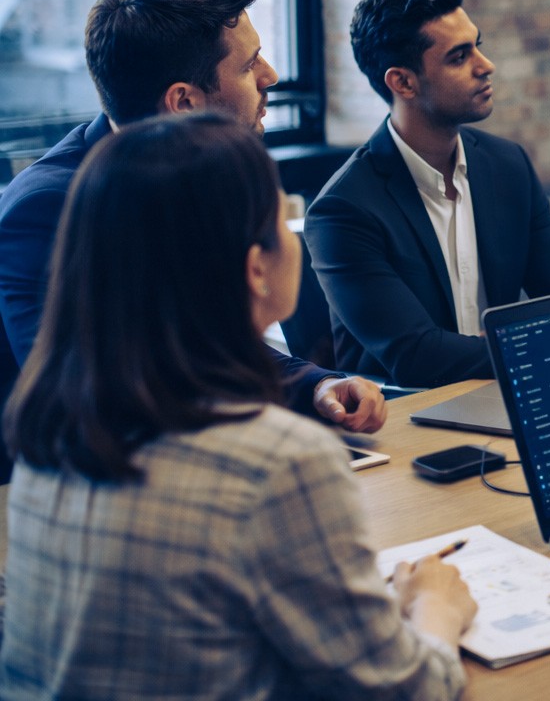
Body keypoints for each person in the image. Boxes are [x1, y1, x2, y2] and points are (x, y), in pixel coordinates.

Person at [1, 113, 476, 699]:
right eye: (283, 218)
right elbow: (411, 689)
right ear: (256, 268)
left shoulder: (55, 431)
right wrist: (434, 603)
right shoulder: (277, 460)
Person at [0, 0, 385, 480]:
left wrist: (312, 386)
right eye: (249, 66)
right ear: (184, 102)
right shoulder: (50, 210)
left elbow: (206, 348)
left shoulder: (190, 179)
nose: (270, 76)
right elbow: (90, 396)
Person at [306, 0, 550, 387]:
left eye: (478, 44)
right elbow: (418, 356)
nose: (485, 65)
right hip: (407, 417)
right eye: (459, 57)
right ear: (403, 82)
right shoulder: (343, 209)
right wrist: (541, 344)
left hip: (505, 394)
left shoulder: (508, 165)